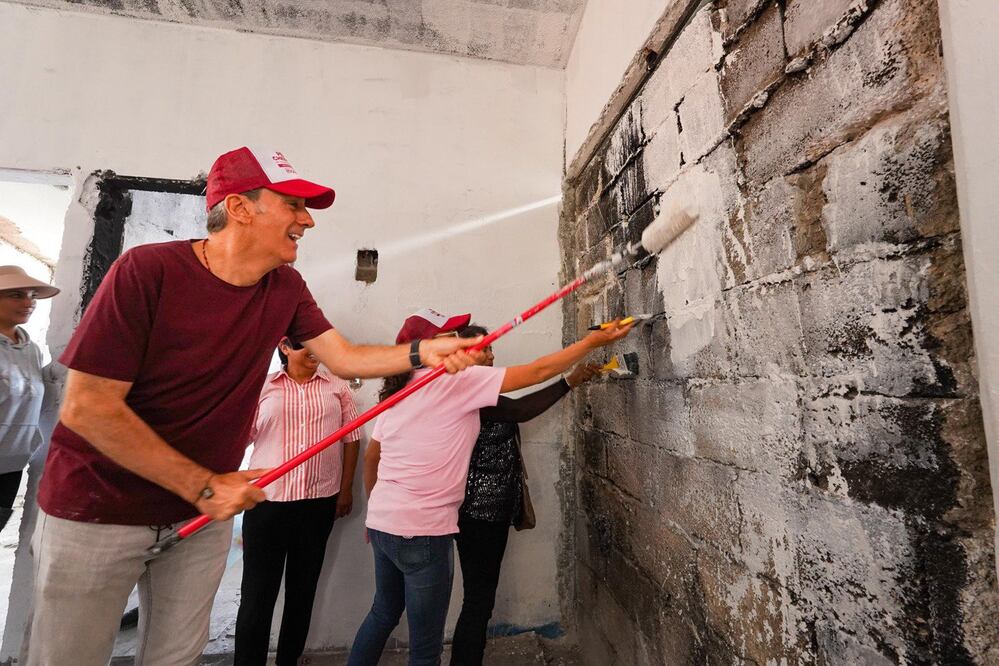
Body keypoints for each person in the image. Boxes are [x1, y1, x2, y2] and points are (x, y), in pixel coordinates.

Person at [23, 147, 484, 666]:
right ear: (241, 208)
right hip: (98, 509)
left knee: (175, 658)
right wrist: (203, 483)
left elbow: (344, 355)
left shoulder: (284, 286)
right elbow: (88, 409)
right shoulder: (145, 272)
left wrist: (424, 351)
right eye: (293, 205)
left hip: (199, 514)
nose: (306, 221)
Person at [348, 309, 631, 666]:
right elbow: (538, 372)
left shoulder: (399, 391)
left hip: (383, 524)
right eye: (450, 334)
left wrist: (375, 514)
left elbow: (378, 456)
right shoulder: (456, 381)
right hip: (422, 530)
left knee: (382, 614)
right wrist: (592, 341)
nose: (462, 340)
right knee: (424, 649)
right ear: (426, 347)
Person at [450, 324, 599, 666]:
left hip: (488, 510)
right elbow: (519, 411)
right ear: (463, 354)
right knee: (478, 601)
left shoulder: (475, 389)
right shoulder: (464, 391)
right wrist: (568, 381)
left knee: (479, 600)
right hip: (478, 513)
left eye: (491, 348)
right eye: (484, 349)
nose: (491, 354)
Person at [234, 337, 361, 666]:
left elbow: (351, 438)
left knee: (302, 594)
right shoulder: (262, 388)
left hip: (318, 505)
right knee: (257, 597)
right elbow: (238, 437)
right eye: (307, 348)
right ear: (285, 346)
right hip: (267, 506)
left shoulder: (336, 386)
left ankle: (288, 660)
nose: (315, 355)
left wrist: (345, 489)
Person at [0, 266, 59, 532]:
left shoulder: (31, 350)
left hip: (10, 466)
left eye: (32, 294)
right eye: (16, 295)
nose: (28, 302)